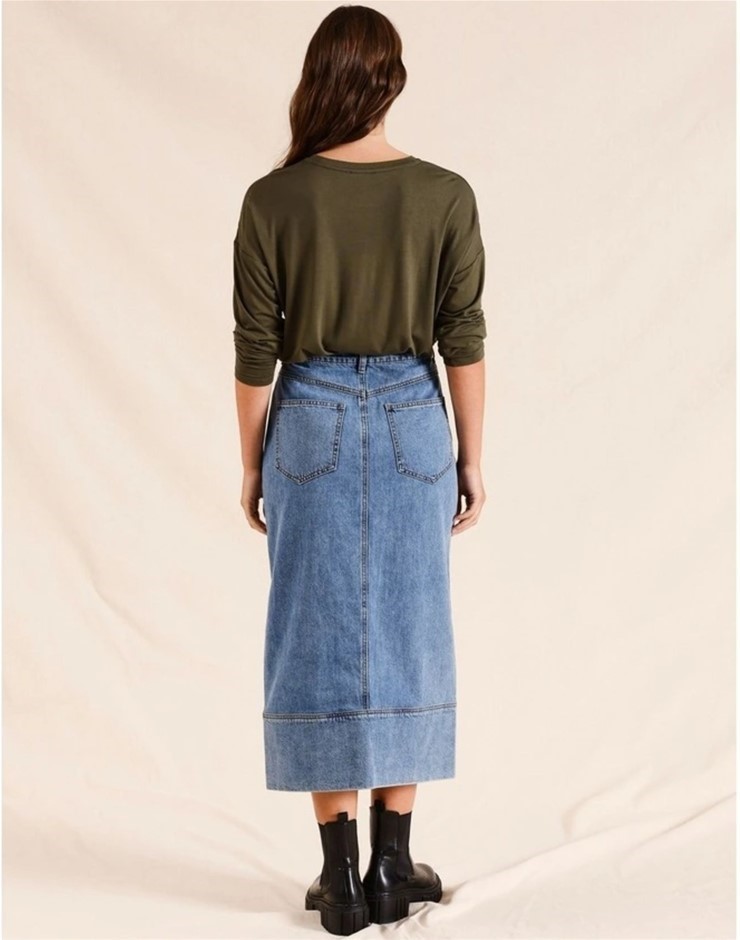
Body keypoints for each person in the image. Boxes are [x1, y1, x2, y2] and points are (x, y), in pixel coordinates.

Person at [232, 5, 486, 935]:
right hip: (416, 417)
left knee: (313, 628)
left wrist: (253, 464)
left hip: (309, 417)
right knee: (414, 623)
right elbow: (462, 338)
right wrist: (471, 455)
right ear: (392, 83)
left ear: (317, 80)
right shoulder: (444, 194)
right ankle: (392, 865)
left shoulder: (273, 199)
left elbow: (255, 352)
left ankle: (339, 876)